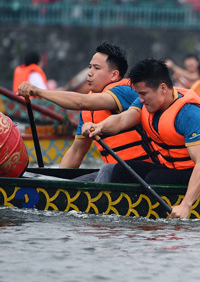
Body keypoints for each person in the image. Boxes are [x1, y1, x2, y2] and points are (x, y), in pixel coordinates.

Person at [83, 58, 200, 218]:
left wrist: (186, 205)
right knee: (118, 169)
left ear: (163, 88)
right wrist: (98, 127)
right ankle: (104, 210)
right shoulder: (147, 102)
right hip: (175, 169)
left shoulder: (189, 113)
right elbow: (122, 119)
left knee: (155, 178)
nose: (140, 99)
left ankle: (147, 215)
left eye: (143, 94)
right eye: (138, 94)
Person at [17, 42, 150, 181]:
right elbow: (76, 152)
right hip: (116, 173)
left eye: (96, 68)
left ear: (114, 75)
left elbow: (81, 102)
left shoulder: (125, 89)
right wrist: (56, 183)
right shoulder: (88, 110)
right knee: (79, 181)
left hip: (143, 174)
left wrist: (38, 91)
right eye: (90, 67)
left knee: (106, 169)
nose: (90, 72)